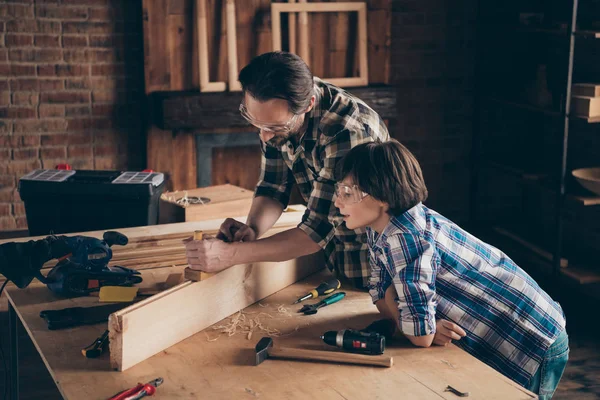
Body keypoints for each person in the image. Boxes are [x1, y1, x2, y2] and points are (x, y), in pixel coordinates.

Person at [334, 139, 568, 399]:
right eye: (338, 190)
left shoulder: (407, 238)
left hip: (532, 336)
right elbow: (379, 293)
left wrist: (417, 323)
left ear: (382, 198)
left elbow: (420, 336)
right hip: (509, 330)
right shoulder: (380, 231)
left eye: (347, 192)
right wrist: (411, 318)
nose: (337, 201)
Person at [185, 51, 390, 287]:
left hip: (374, 274)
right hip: (332, 267)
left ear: (308, 105)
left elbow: (316, 231)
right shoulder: (276, 114)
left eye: (274, 127)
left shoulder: (346, 133)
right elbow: (273, 186)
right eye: (255, 122)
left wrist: (230, 255)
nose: (264, 135)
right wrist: (252, 230)